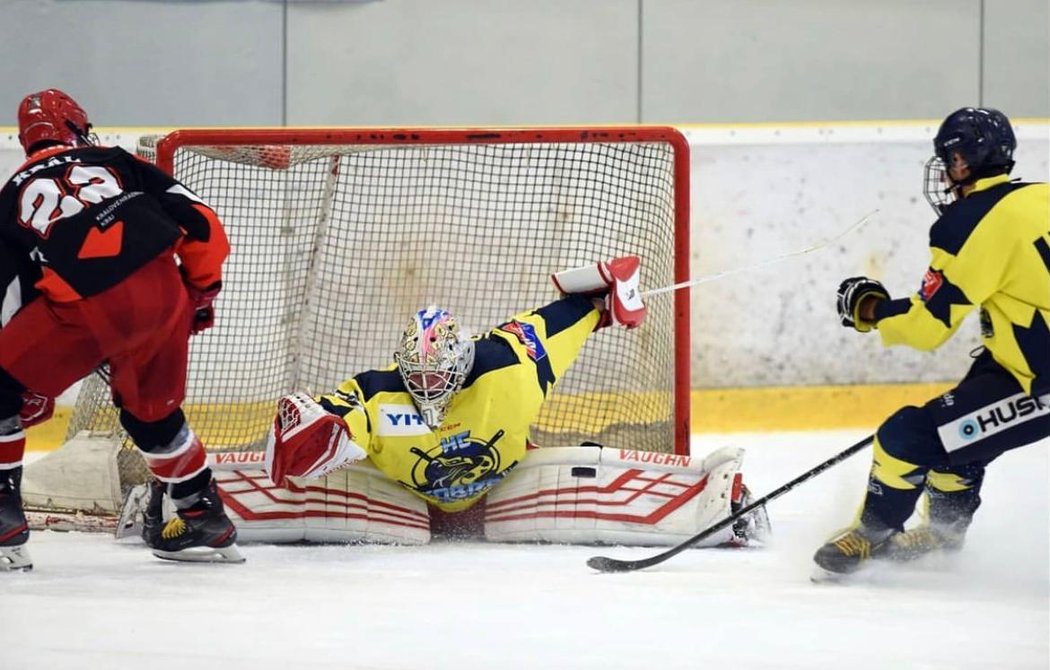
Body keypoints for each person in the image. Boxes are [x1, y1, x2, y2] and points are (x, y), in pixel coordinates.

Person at [261, 257, 768, 545]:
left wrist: (605, 296)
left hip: (511, 486)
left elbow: (572, 310)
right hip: (408, 502)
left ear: (462, 362)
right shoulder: (376, 392)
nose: (428, 386)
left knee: (586, 460)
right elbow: (329, 419)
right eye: (417, 375)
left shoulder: (509, 362)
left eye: (439, 375)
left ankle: (726, 502)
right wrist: (311, 429)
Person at [0, 89, 242, 569]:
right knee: (150, 414)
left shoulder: (10, 197)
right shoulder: (115, 160)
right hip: (162, 292)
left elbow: (9, 293)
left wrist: (24, 379)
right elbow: (204, 225)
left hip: (82, 310)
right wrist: (199, 290)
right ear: (76, 126)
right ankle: (201, 513)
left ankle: (3, 516)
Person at [814, 107, 1050, 577]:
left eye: (949, 160)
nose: (945, 172)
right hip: (1018, 364)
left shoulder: (967, 225)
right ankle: (943, 536)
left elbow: (928, 327)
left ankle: (871, 534)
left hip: (1040, 383)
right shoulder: (1040, 197)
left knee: (907, 437)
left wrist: (872, 312)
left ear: (962, 162)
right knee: (958, 428)